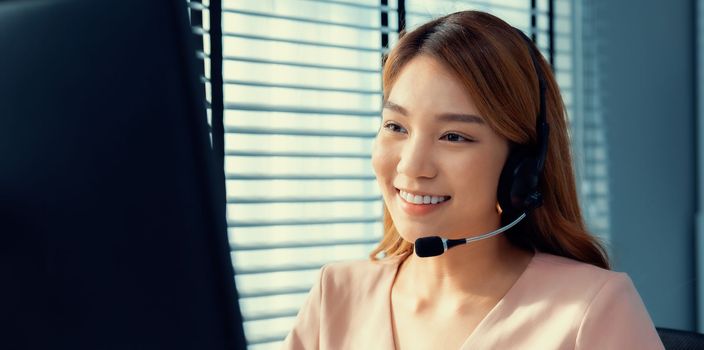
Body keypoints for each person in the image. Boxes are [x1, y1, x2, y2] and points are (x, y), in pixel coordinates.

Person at [282, 10, 663, 350]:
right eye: (396, 126)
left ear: (522, 165)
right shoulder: (336, 294)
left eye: (454, 136)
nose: (413, 166)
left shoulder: (592, 309)